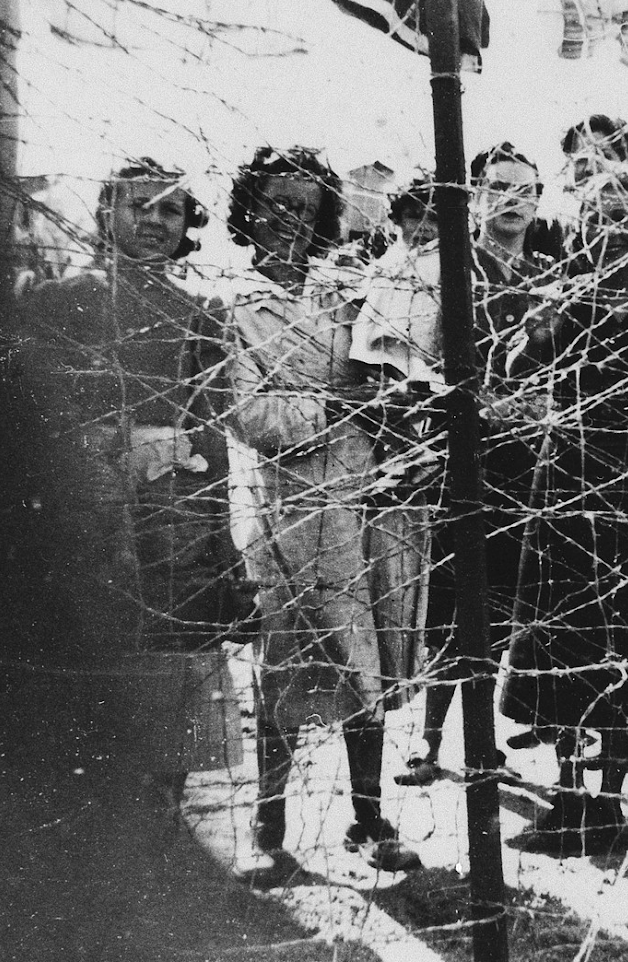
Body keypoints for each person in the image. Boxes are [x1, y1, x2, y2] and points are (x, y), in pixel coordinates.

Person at [18, 158, 246, 812]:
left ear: (188, 225)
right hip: (88, 513)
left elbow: (211, 433)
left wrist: (221, 538)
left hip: (176, 519)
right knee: (93, 669)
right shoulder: (60, 301)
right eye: (138, 205)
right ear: (105, 213)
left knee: (173, 677)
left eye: (170, 210)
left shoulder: (199, 313)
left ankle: (165, 835)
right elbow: (41, 414)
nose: (153, 221)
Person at [224, 146, 421, 878]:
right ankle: (267, 824)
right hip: (281, 506)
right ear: (248, 210)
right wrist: (336, 404)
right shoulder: (233, 303)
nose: (291, 221)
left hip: (359, 495)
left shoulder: (348, 290)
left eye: (307, 209)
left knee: (361, 656)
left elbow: (389, 366)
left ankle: (369, 818)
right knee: (283, 661)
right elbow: (245, 410)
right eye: (276, 205)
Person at [500, 171, 628, 852]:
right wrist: (534, 334)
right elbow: (514, 369)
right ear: (582, 229)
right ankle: (567, 795)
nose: (614, 232)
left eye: (626, 218)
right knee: (566, 641)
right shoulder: (566, 297)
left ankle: (610, 798)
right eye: (599, 218)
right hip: (571, 487)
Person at [356, 142, 559, 788]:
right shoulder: (444, 266)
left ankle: (482, 742)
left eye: (524, 191)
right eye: (499, 188)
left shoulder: (545, 277)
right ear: (475, 195)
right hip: (455, 450)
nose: (512, 202)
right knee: (449, 599)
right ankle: (429, 740)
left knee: (499, 601)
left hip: (521, 454)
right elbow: (402, 359)